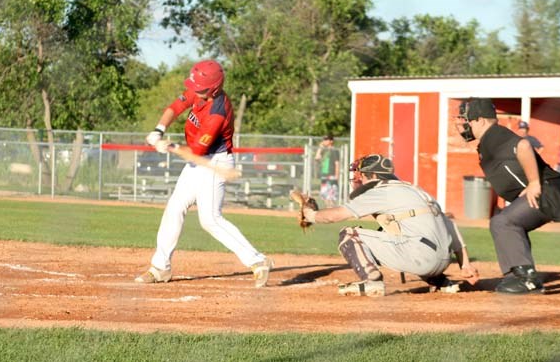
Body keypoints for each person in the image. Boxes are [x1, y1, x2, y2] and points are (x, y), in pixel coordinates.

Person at [135, 60, 273, 287]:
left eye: (200, 88)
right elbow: (175, 107)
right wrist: (159, 129)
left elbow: (198, 150)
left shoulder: (218, 111)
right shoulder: (198, 90)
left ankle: (258, 261)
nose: (194, 91)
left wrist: (168, 147)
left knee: (210, 219)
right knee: (174, 208)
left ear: (214, 88)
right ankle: (160, 268)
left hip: (213, 161)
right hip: (196, 161)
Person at [300, 153, 479, 297]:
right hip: (442, 260)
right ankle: (442, 283)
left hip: (421, 258)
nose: (357, 179)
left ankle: (372, 281)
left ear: (372, 176)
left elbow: (335, 216)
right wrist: (465, 264)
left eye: (360, 175)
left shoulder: (382, 192)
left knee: (350, 234)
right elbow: (450, 225)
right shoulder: (414, 189)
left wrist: (311, 215)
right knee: (401, 233)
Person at [456, 98, 560, 294]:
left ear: (481, 121)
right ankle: (515, 277)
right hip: (550, 190)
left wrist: (534, 182)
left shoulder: (493, 135)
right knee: (505, 223)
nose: (463, 126)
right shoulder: (491, 138)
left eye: (468, 121)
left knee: (503, 222)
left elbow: (524, 146)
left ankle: (527, 279)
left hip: (547, 190)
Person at [314, 134, 340, 207]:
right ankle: (328, 209)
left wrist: (337, 176)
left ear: (331, 141)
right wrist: (320, 148)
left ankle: (332, 210)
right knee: (324, 195)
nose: (324, 141)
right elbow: (317, 158)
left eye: (326, 140)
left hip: (332, 175)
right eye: (324, 140)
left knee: (331, 196)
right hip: (324, 174)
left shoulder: (334, 150)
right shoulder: (323, 150)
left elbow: (337, 164)